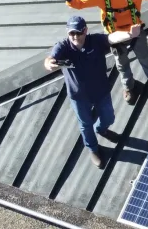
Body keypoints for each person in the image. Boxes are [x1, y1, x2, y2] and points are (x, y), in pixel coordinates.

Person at [44, 16, 121, 168]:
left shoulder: (96, 41)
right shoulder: (63, 47)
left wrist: (130, 34)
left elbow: (112, 38)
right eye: (71, 33)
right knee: (85, 125)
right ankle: (93, 149)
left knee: (109, 117)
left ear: (85, 31)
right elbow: (49, 59)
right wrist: (50, 64)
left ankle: (101, 129)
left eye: (78, 33)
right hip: (79, 97)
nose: (75, 37)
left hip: (101, 91)